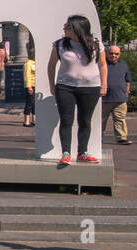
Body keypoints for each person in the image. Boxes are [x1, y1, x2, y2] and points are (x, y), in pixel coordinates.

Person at [46, 15, 107, 165]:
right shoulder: (60, 44)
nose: (64, 28)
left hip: (90, 87)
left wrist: (104, 84)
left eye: (68, 27)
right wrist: (52, 85)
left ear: (78, 28)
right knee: (66, 120)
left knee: (85, 120)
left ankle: (83, 152)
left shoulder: (96, 44)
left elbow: (102, 65)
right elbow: (51, 65)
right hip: (66, 87)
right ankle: (66, 153)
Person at [102, 44, 132, 145]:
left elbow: (127, 80)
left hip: (120, 99)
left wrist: (126, 92)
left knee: (120, 119)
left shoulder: (123, 65)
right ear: (106, 53)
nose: (114, 55)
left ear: (119, 54)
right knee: (101, 120)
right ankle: (97, 138)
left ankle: (121, 138)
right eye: (111, 53)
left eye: (116, 54)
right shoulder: (101, 64)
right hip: (104, 99)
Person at [22, 53, 37, 128]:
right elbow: (27, 76)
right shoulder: (28, 64)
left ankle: (34, 120)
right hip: (31, 86)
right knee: (29, 103)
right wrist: (29, 86)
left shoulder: (36, 63)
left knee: (34, 104)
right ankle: (26, 121)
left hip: (36, 85)